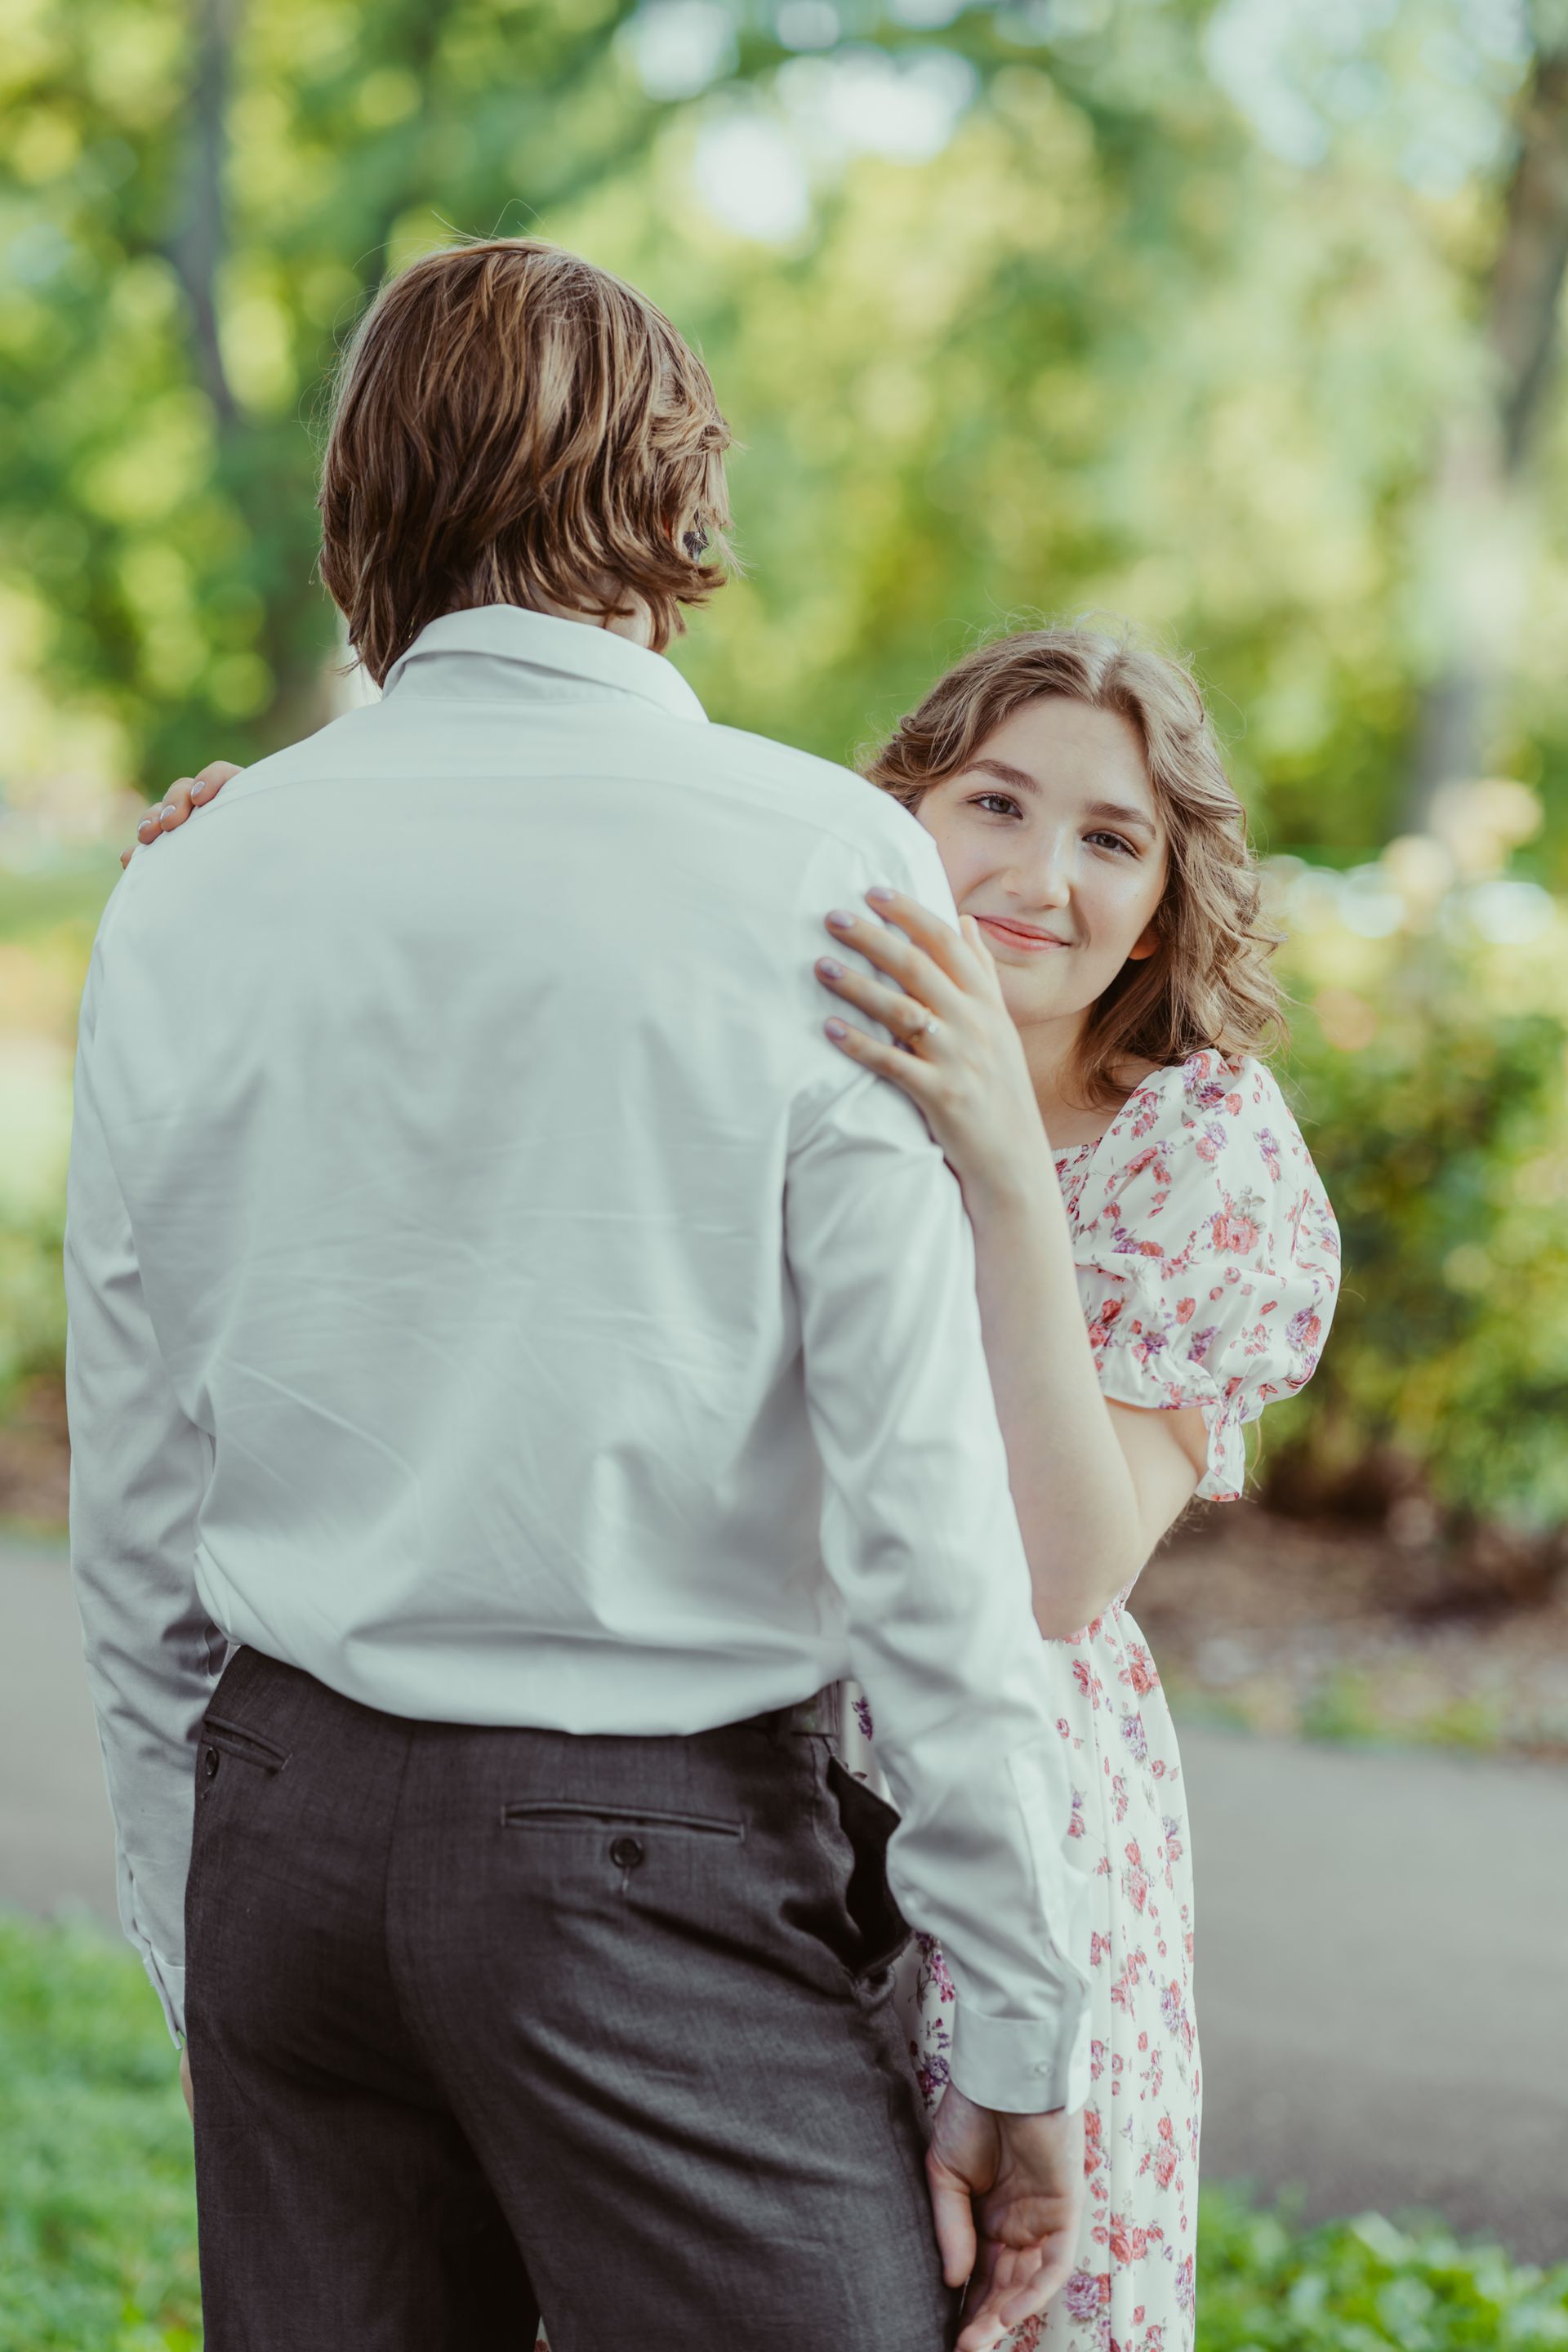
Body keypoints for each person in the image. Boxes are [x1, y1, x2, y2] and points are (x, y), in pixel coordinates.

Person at [66, 238, 1092, 2352]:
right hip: (655, 1861)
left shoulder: (195, 880)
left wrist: (205, 1923)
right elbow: (919, 1507)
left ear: (368, 505)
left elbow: (139, 1472)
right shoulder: (815, 863)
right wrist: (1022, 2024)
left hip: (286, 1829)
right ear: (674, 491)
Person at [149, 625, 1340, 2352]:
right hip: (702, 1789)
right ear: (894, 816)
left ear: (1159, 905)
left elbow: (1060, 1575)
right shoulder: (781, 1003)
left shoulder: (1198, 1149)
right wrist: (265, 830)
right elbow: (532, 878)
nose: (1038, 873)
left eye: (1110, 838)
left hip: (1020, 1813)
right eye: (993, 802)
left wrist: (1005, 1164)